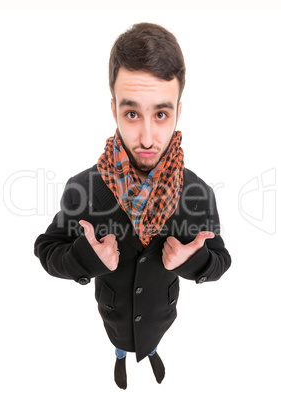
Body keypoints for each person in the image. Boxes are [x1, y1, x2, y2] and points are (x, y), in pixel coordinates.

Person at [34, 22, 232, 390]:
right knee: (120, 346)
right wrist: (84, 259)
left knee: (152, 341)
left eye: (160, 114)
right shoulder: (83, 188)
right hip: (114, 317)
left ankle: (152, 351)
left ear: (178, 111)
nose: (146, 138)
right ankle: (121, 357)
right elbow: (46, 249)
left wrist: (194, 261)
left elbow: (221, 259)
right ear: (113, 109)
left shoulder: (198, 193)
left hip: (162, 315)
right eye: (131, 113)